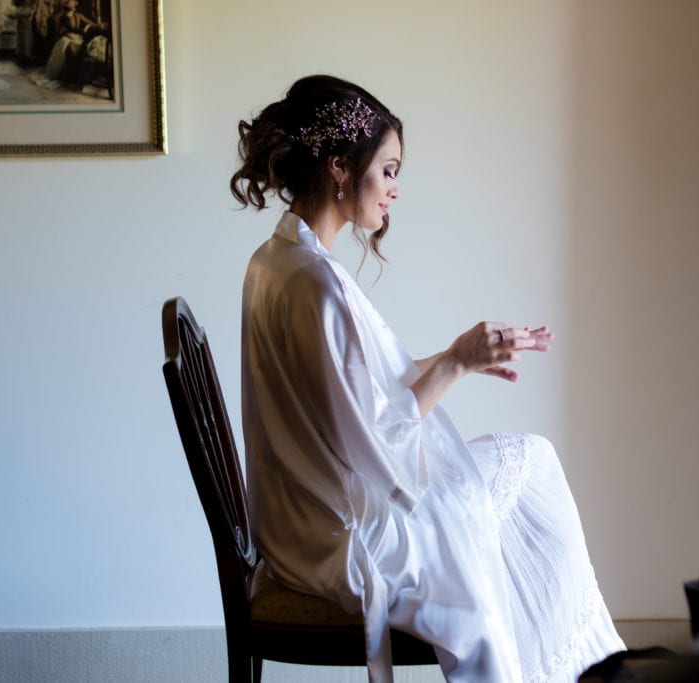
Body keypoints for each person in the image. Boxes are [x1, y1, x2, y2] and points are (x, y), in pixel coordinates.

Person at [231, 75, 625, 683]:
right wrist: (455, 364)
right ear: (340, 166)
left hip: (301, 515)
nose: (394, 189)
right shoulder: (315, 285)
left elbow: (358, 395)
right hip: (335, 531)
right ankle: (573, 670)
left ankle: (571, 668)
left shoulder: (277, 259)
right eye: (387, 170)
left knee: (533, 463)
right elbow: (378, 446)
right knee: (502, 502)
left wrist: (459, 353)